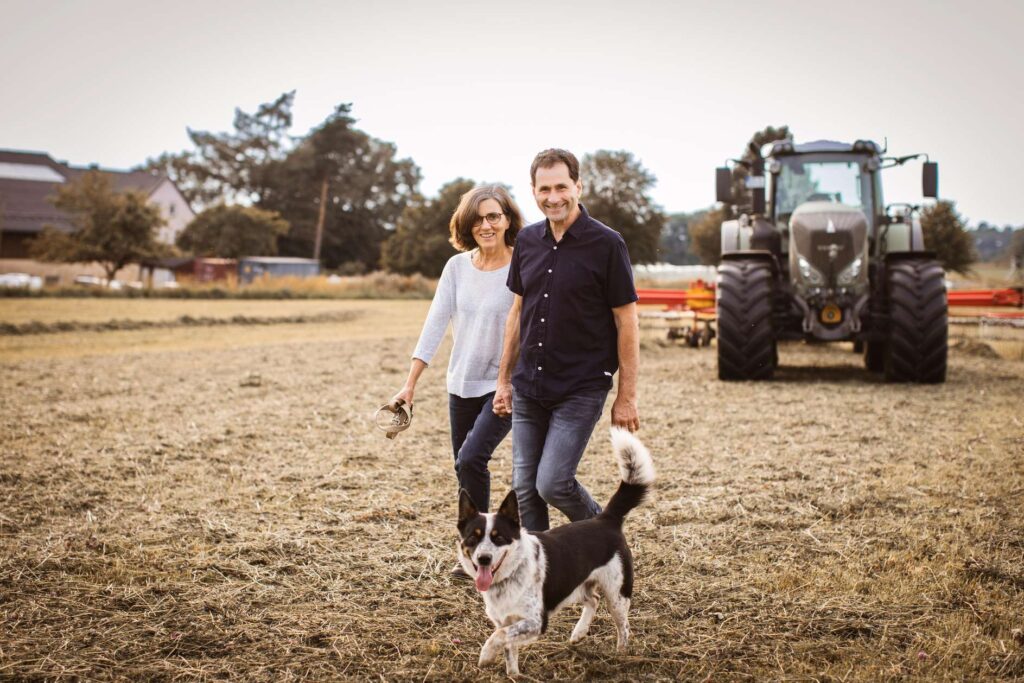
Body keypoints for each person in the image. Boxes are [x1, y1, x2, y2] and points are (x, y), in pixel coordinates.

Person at [492, 148, 640, 532]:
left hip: (580, 386)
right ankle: (540, 575)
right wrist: (503, 380)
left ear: (578, 185)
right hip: (529, 385)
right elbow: (517, 314)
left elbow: (627, 322)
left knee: (552, 483)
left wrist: (627, 397)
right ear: (533, 190)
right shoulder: (526, 241)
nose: (553, 197)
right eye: (545, 189)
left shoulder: (608, 244)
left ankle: (602, 537)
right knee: (525, 490)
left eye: (562, 186)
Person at [392, 184, 524, 568]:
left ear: (507, 220)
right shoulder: (456, 268)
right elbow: (434, 324)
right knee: (465, 470)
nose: (486, 225)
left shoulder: (522, 264)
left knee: (470, 459)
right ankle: (479, 552)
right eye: (477, 219)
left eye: (493, 217)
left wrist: (511, 381)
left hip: (502, 386)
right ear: (467, 224)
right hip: (461, 383)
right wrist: (410, 383)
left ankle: (493, 547)